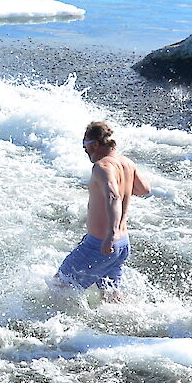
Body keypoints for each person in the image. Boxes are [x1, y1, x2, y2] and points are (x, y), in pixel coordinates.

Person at [55, 122, 151, 298]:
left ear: (96, 144)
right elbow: (144, 189)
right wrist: (125, 184)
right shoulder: (127, 163)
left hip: (101, 243)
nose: (84, 150)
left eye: (85, 145)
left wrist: (110, 234)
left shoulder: (102, 167)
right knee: (111, 296)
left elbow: (113, 197)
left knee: (59, 286)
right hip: (123, 244)